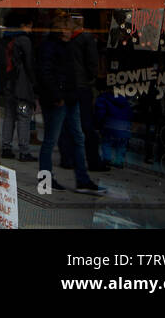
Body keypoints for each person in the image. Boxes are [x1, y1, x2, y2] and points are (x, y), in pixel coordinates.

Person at [36, 13, 106, 195]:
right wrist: (57, 95)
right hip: (58, 99)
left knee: (77, 137)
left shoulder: (66, 45)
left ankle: (82, 179)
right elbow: (46, 73)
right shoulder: (50, 47)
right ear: (61, 30)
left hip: (69, 96)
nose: (71, 32)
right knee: (52, 140)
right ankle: (47, 178)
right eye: (68, 28)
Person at [62, 15, 106, 172]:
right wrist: (92, 77)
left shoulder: (67, 40)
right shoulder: (86, 38)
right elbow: (92, 64)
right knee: (87, 124)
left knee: (69, 123)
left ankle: (67, 158)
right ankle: (93, 160)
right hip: (82, 86)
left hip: (69, 86)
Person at [0, 11, 36, 162]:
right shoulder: (24, 41)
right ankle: (24, 150)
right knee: (23, 116)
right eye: (30, 26)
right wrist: (34, 83)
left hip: (8, 83)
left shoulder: (5, 39)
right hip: (22, 86)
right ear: (23, 25)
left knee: (9, 116)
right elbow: (29, 64)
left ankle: (6, 147)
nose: (32, 30)